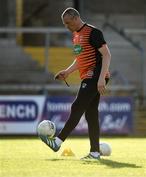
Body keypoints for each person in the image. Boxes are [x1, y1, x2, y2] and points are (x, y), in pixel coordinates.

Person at [39, 7, 111, 160]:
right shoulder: (76, 35)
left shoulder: (93, 32)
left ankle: (57, 142)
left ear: (76, 18)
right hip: (88, 77)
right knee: (91, 114)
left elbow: (106, 54)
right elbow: (81, 59)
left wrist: (101, 78)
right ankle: (95, 153)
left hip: (95, 75)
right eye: (64, 24)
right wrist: (67, 71)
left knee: (77, 106)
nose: (66, 26)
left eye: (68, 23)